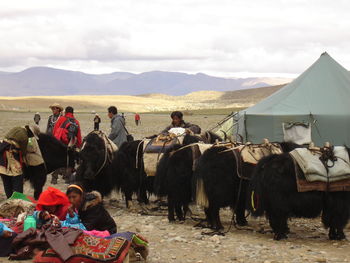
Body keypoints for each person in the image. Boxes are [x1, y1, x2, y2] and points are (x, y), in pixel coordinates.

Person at [0, 125, 39, 198]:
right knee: (17, 178)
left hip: (2, 155)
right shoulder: (24, 137)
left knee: (6, 178)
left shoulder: (16, 128)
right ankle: (17, 199)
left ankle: (10, 198)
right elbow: (23, 152)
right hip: (11, 156)